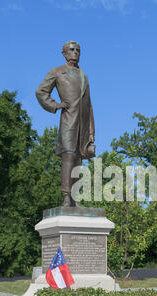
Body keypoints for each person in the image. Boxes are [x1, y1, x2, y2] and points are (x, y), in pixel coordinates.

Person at [36, 41, 95, 207]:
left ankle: (75, 198)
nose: (75, 52)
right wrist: (55, 105)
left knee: (78, 159)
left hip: (83, 124)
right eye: (71, 50)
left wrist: (91, 131)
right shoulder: (57, 72)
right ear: (64, 53)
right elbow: (41, 92)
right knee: (68, 155)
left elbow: (89, 105)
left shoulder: (84, 76)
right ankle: (66, 197)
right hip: (69, 120)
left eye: (78, 50)